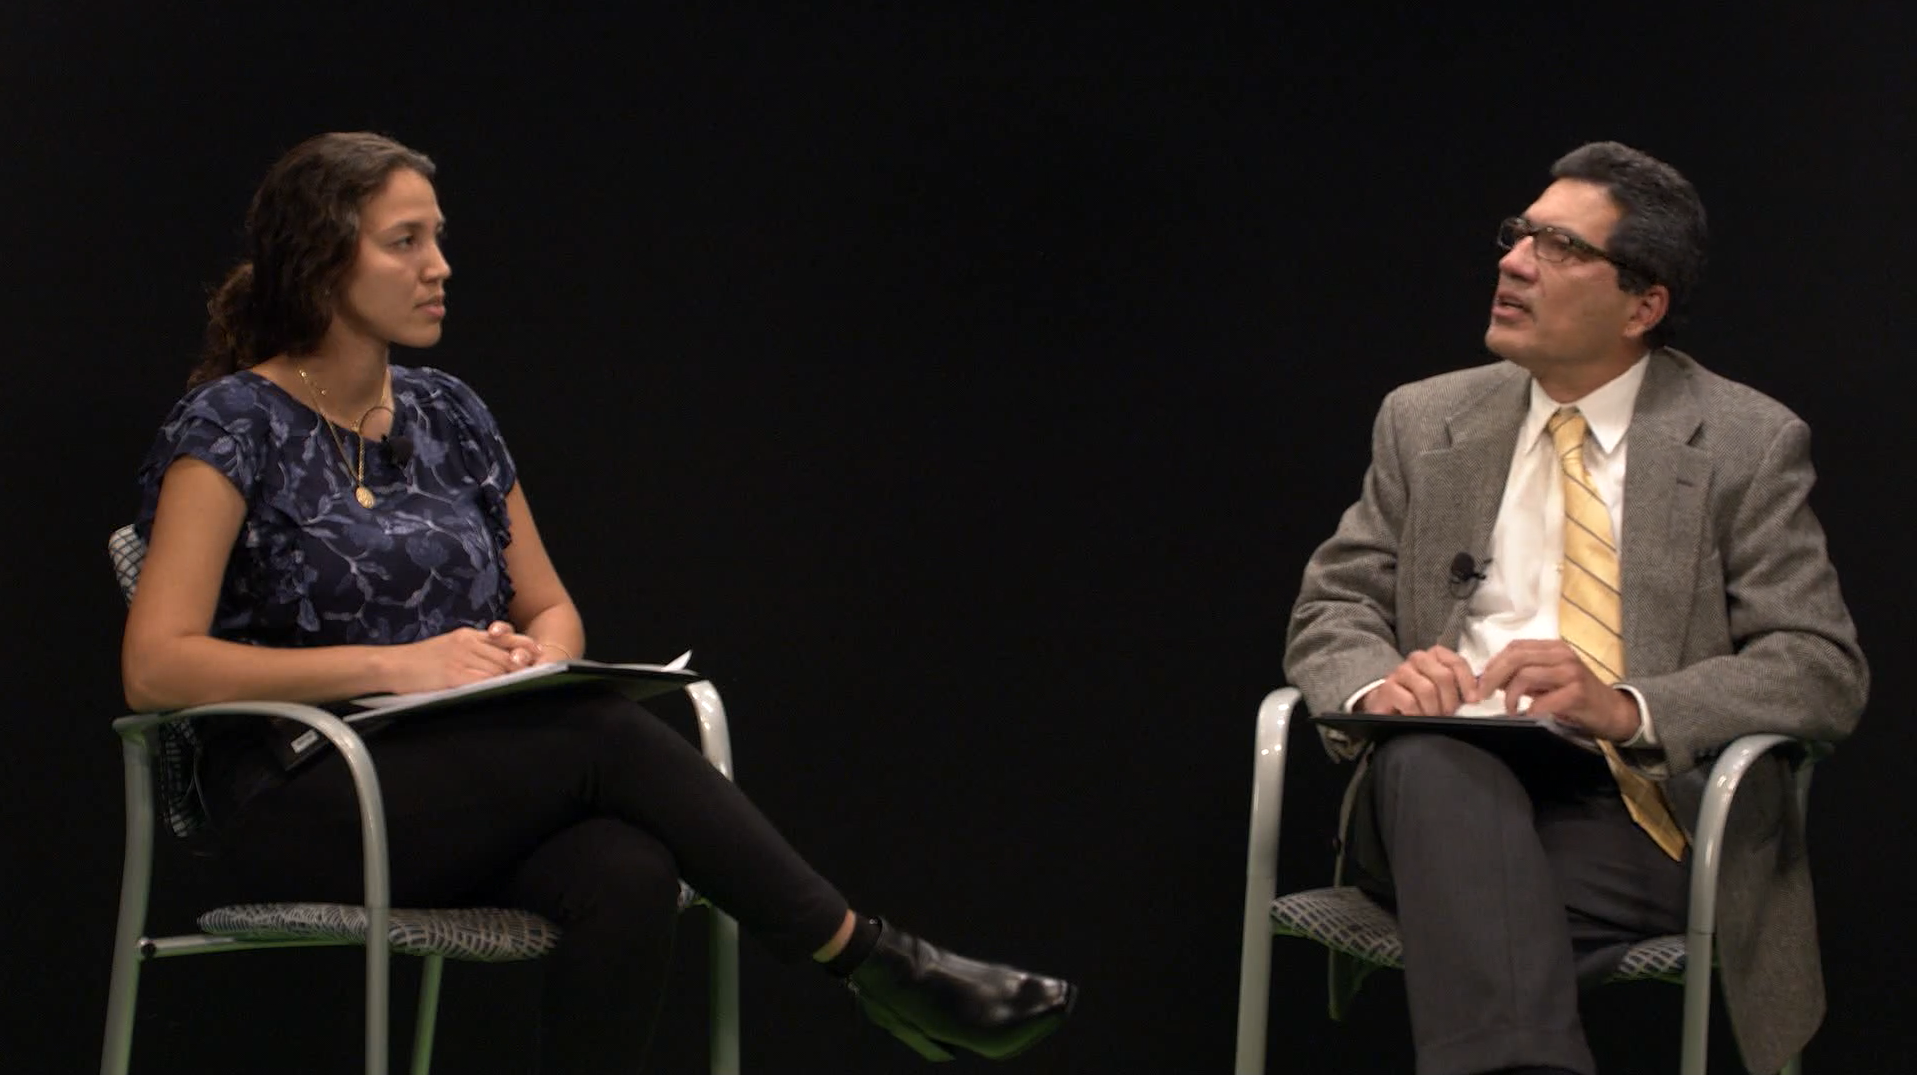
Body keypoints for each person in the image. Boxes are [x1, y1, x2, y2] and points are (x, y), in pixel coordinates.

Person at [121, 131, 1075, 1074]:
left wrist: (535, 658)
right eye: (405, 241)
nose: (440, 266)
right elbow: (157, 663)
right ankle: (877, 962)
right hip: (306, 796)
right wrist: (399, 665)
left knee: (627, 868)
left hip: (455, 787)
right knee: (599, 735)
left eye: (438, 237)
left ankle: (878, 969)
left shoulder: (451, 415)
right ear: (320, 259)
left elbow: (552, 608)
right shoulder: (233, 424)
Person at [1283, 142, 1867, 1075]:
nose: (1513, 262)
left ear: (1643, 305)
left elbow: (1817, 666)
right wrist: (1376, 684)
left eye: (1558, 247)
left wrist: (1626, 704)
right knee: (1430, 761)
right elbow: (1334, 603)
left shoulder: (1746, 441)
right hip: (1430, 781)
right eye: (1519, 235)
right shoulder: (1424, 418)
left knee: (1477, 897)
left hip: (1633, 808)